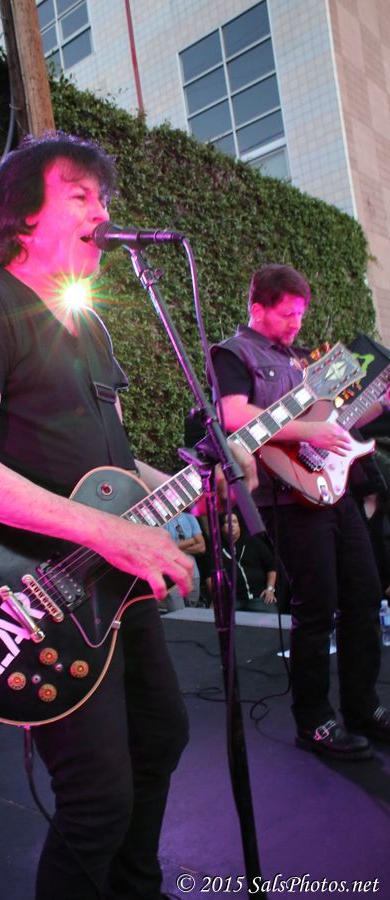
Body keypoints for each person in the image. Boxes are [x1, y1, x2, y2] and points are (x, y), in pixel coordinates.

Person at [0, 133, 255, 900]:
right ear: (22, 216)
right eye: (80, 196)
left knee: (161, 737)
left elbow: (112, 467)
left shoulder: (91, 326)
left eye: (103, 198)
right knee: (97, 797)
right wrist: (110, 530)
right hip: (36, 594)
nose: (102, 212)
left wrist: (193, 486)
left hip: (110, 585)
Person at [210, 263, 390, 761]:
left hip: (334, 490)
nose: (296, 323)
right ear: (258, 308)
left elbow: (338, 420)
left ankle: (363, 707)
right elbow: (233, 414)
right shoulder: (234, 352)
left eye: (301, 314)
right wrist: (310, 432)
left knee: (364, 596)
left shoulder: (305, 360)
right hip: (287, 497)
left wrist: (379, 402)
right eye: (287, 314)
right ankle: (314, 721)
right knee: (316, 608)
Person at [206, 512, 277, 613]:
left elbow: (271, 567)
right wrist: (218, 597)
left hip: (259, 597)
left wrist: (270, 589)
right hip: (232, 600)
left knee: (272, 620)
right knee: (213, 616)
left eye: (235, 521)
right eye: (227, 522)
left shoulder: (254, 542)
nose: (232, 525)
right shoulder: (215, 549)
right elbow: (209, 578)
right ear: (221, 527)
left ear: (239, 525)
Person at [162, 511, 206, 610]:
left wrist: (176, 549)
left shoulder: (190, 517)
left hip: (193, 574)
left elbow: (202, 547)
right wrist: (192, 540)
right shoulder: (162, 522)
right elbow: (166, 547)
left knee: (192, 612)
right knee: (177, 613)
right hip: (172, 577)